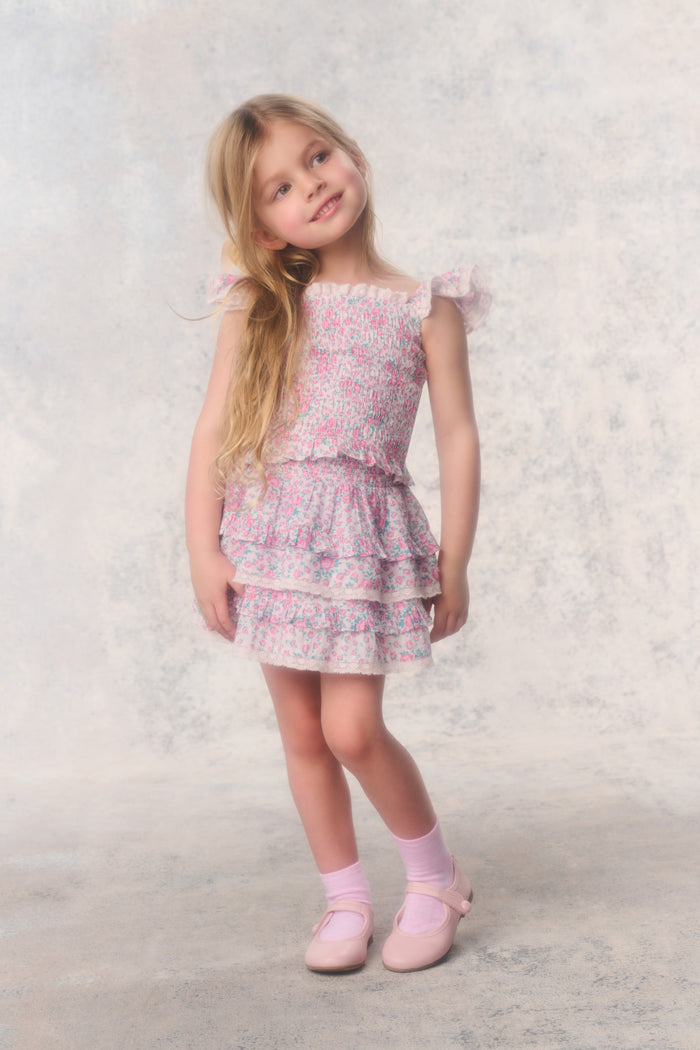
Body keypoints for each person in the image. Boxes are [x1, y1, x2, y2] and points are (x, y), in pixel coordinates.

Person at [185, 94, 490, 973]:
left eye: (316, 159)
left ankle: (435, 880)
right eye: (280, 188)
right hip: (272, 537)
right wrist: (205, 547)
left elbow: (458, 435)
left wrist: (455, 561)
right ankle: (345, 897)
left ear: (350, 153)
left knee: (353, 727)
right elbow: (212, 429)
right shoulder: (260, 302)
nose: (309, 187)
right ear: (266, 228)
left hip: (363, 541)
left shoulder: (423, 306)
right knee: (304, 733)